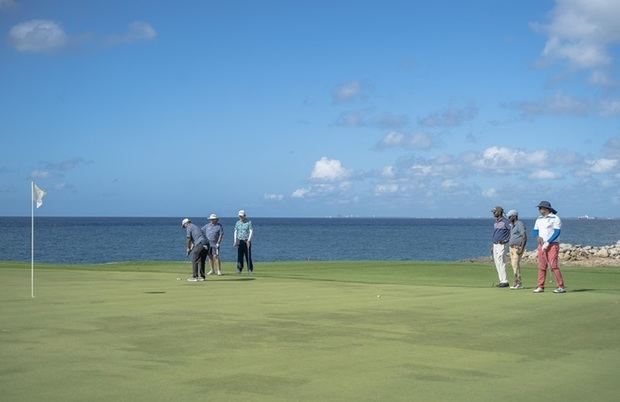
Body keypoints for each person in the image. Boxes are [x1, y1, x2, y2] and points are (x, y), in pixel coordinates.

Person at [532, 201, 566, 293]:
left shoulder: (555, 218)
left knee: (553, 265)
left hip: (552, 245)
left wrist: (548, 242)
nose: (539, 210)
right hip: (541, 245)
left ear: (546, 209)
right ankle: (540, 286)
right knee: (541, 266)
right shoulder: (538, 219)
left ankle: (561, 286)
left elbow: (557, 232)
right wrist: (537, 237)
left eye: (540, 208)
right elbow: (535, 231)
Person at [506, 209, 527, 289]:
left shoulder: (519, 224)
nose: (508, 218)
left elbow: (524, 236)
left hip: (517, 248)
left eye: (510, 217)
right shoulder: (513, 225)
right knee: (514, 265)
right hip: (512, 248)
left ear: (514, 216)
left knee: (515, 264)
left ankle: (517, 283)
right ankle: (518, 283)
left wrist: (521, 248)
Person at [491, 206, 510, 287]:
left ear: (499, 212)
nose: (493, 213)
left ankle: (505, 281)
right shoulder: (496, 222)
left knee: (501, 261)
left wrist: (506, 240)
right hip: (495, 244)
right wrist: (492, 245)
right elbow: (495, 234)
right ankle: (501, 280)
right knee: (497, 262)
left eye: (494, 212)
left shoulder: (506, 222)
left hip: (502, 244)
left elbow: (511, 232)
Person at [233, 210, 254, 274]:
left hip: (246, 241)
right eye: (240, 216)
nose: (241, 217)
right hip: (239, 241)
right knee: (239, 256)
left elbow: (251, 231)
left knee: (248, 256)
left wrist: (249, 240)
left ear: (245, 216)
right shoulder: (237, 223)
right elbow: (235, 231)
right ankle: (239, 269)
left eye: (242, 216)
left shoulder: (248, 222)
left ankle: (249, 269)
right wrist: (235, 241)